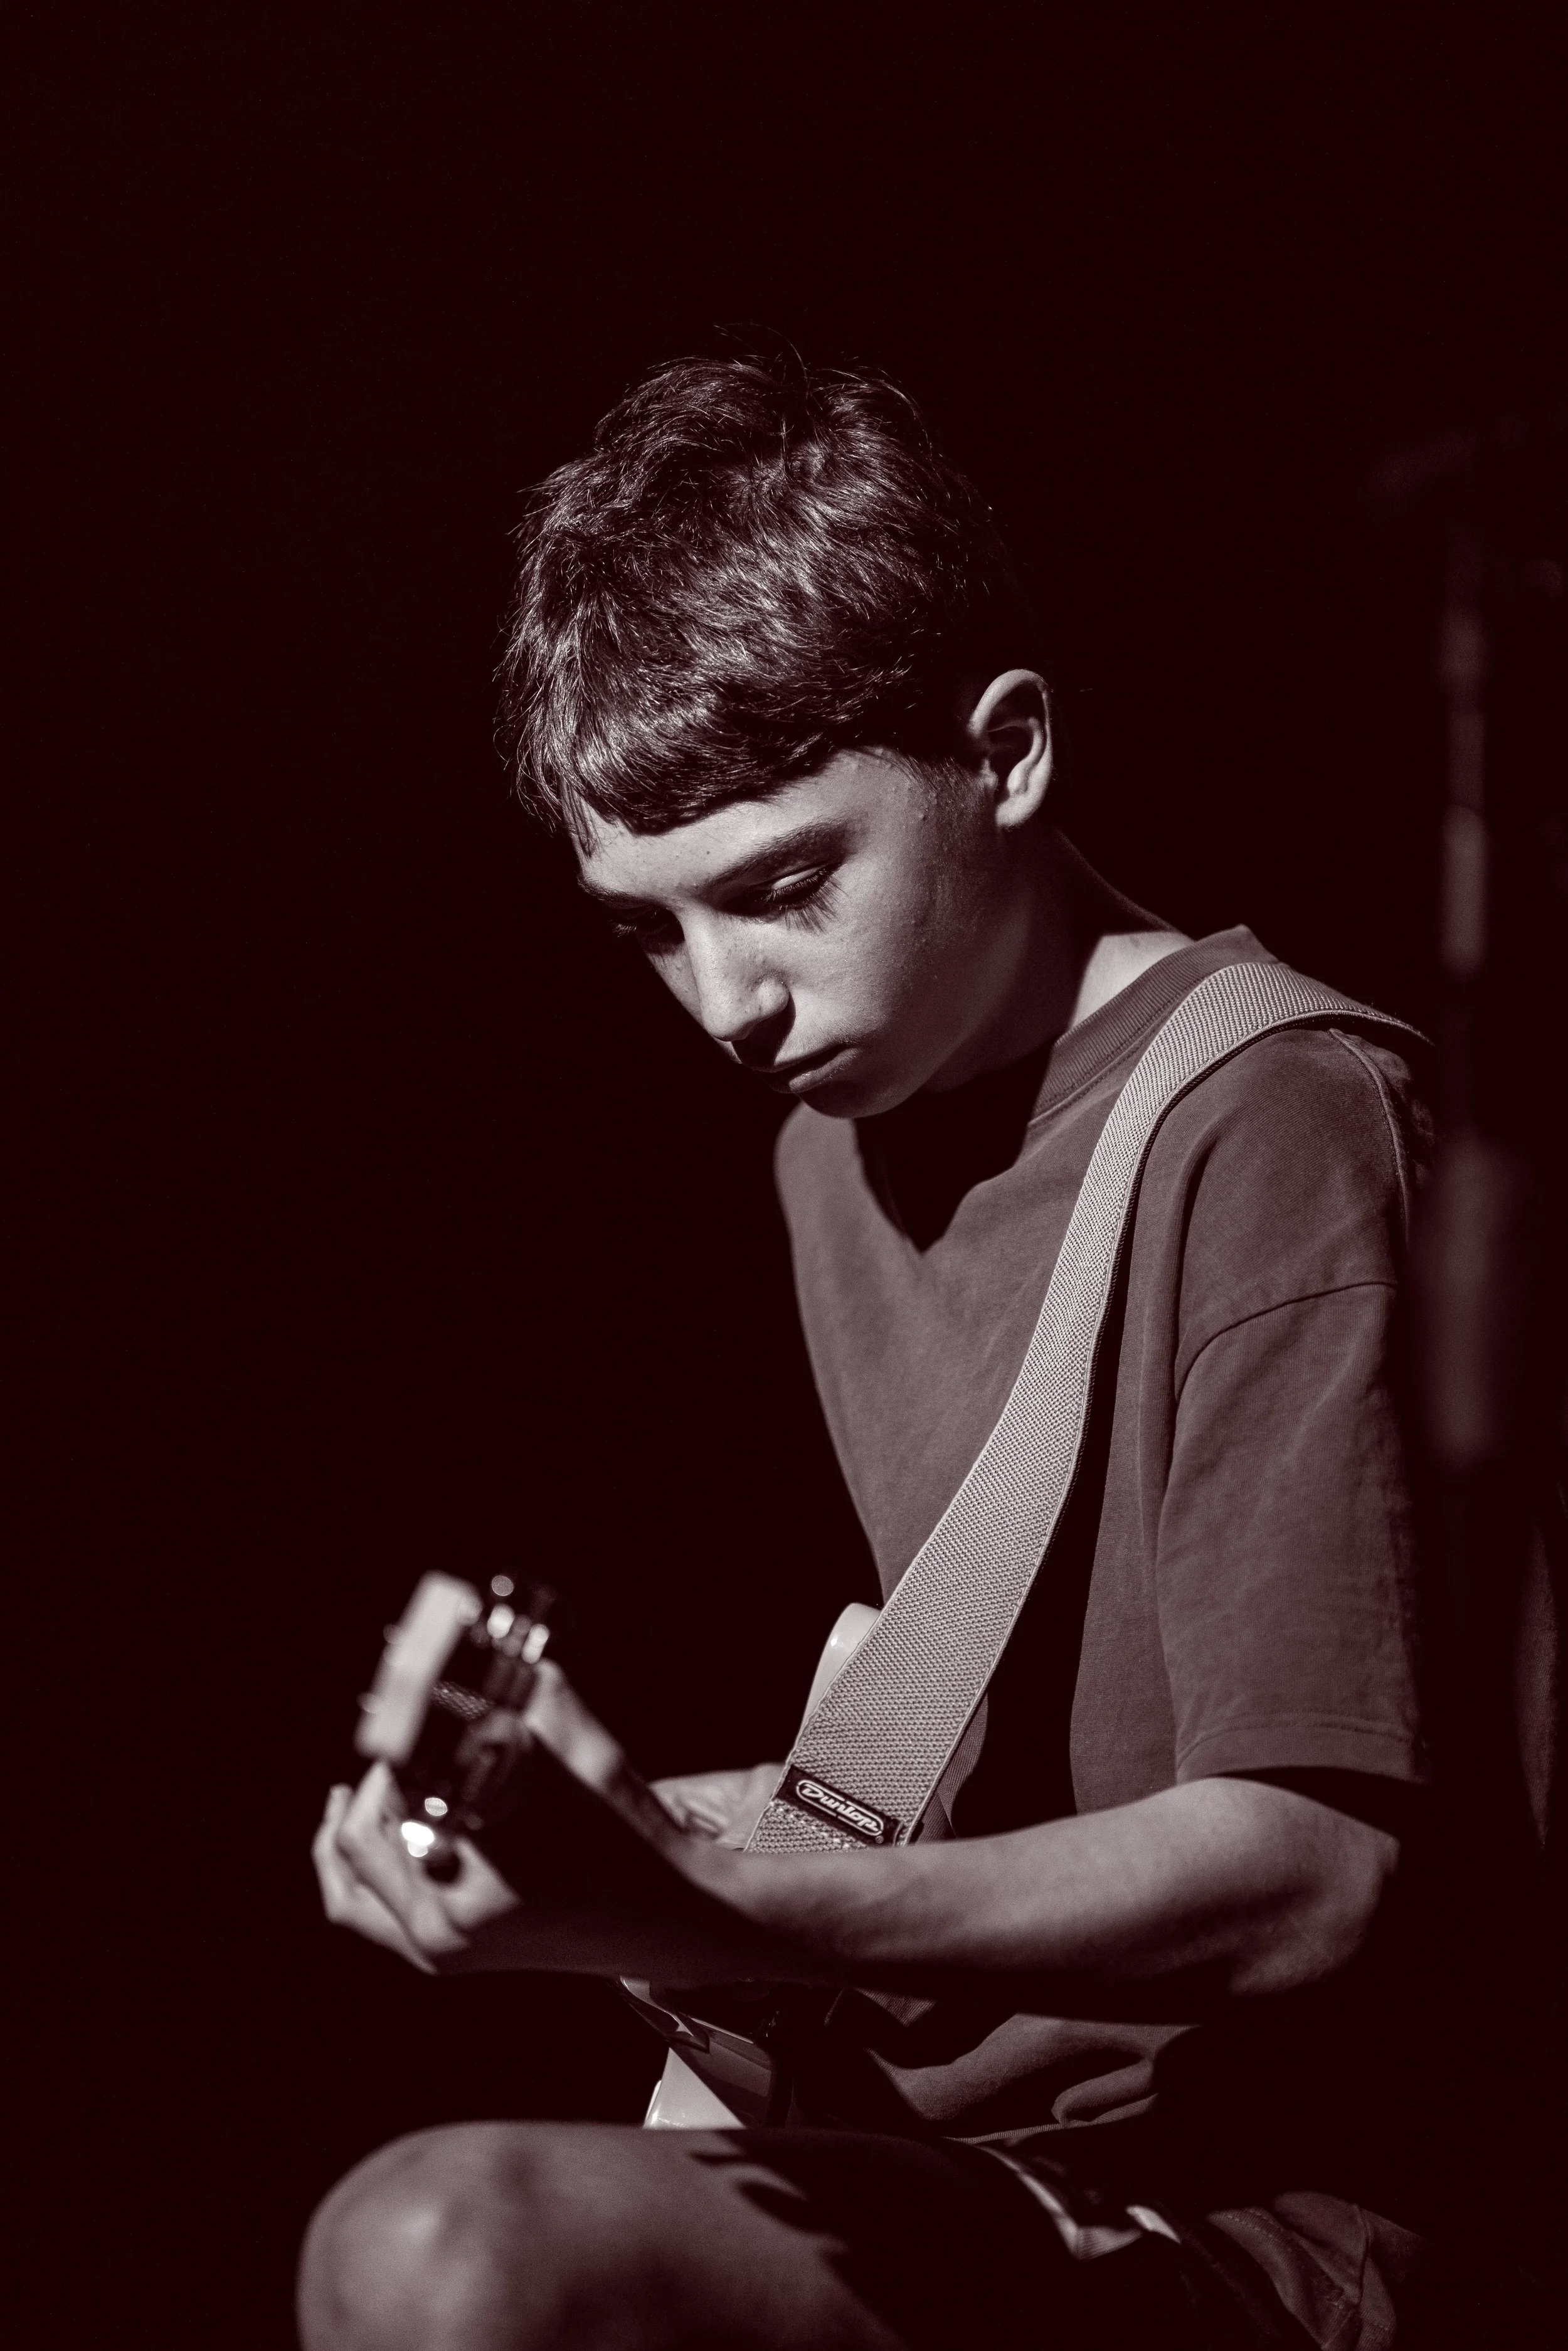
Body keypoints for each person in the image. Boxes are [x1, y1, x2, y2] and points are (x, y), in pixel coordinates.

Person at [301, 356, 1498, 2350]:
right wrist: (666, 1848)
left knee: (449, 2249)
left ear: (1008, 753)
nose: (725, 1006)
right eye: (650, 932)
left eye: (778, 887)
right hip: (979, 2143)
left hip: (1284, 2207)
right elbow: (990, 1744)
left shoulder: (1271, 1120)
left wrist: (731, 1904)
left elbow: (1315, 1874)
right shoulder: (826, 1157)